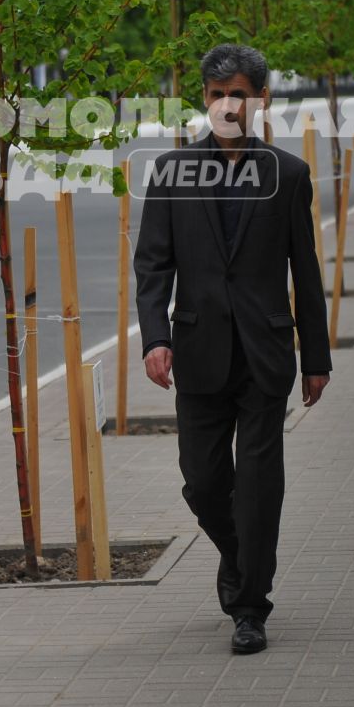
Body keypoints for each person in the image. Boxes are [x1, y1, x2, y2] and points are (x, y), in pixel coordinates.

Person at [135, 43, 329, 656]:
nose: (227, 104)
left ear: (260, 100)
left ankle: (250, 608)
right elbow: (152, 267)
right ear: (204, 99)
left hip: (267, 352)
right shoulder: (170, 173)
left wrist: (317, 356)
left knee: (259, 487)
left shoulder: (289, 175)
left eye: (238, 94)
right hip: (198, 350)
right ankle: (240, 558)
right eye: (217, 94)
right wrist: (156, 339)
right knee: (203, 481)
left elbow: (308, 268)